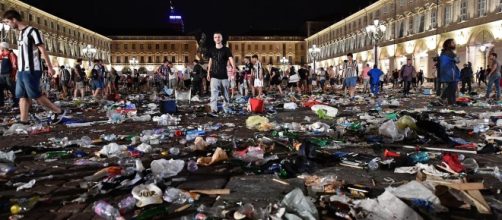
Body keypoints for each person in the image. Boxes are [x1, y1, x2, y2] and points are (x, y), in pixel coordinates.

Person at [3, 10, 66, 124]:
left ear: (14, 19)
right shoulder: (21, 34)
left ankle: (58, 111)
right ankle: (24, 121)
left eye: (8, 22)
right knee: (22, 96)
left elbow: (42, 49)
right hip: (22, 71)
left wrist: (50, 67)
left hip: (32, 69)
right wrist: (18, 71)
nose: (8, 24)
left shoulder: (33, 31)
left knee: (35, 95)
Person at [207, 32, 235, 114]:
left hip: (224, 76)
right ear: (214, 39)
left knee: (226, 94)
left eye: (219, 37)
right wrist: (208, 72)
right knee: (213, 94)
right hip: (214, 75)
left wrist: (234, 67)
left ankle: (226, 108)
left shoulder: (226, 49)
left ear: (221, 38)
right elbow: (210, 61)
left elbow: (231, 58)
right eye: (215, 37)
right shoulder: (211, 49)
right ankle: (214, 109)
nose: (217, 38)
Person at [439, 39, 460, 105]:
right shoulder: (450, 53)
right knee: (452, 89)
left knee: (450, 88)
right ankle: (451, 102)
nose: (455, 44)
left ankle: (448, 101)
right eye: (453, 43)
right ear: (449, 44)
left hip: (445, 73)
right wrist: (456, 55)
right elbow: (457, 61)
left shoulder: (443, 52)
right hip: (451, 73)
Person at [0, 42, 18, 107]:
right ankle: (1, 103)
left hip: (9, 75)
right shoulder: (3, 55)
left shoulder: (11, 54)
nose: (0, 48)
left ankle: (16, 103)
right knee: (0, 89)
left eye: (1, 47)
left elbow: (15, 65)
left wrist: (13, 75)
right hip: (2, 75)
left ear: (3, 48)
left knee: (12, 89)